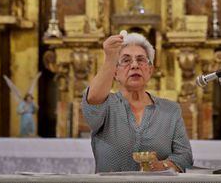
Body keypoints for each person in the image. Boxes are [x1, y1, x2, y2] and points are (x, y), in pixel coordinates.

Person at [81, 32, 193, 173]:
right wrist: (110, 58)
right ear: (115, 72)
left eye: (141, 60)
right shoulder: (107, 106)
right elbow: (92, 101)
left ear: (150, 70)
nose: (134, 65)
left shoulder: (170, 110)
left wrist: (164, 166)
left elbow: (184, 156)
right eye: (126, 60)